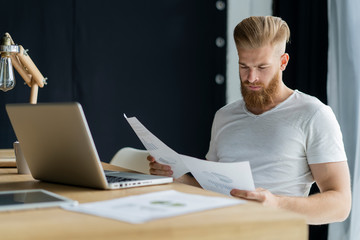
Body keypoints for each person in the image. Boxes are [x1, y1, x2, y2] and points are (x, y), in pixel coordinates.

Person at [147, 16, 351, 225]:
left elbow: (341, 205)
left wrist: (277, 204)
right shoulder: (224, 116)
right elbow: (213, 187)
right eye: (244, 66)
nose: (251, 77)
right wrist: (180, 178)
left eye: (262, 67)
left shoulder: (313, 115)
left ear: (283, 62)